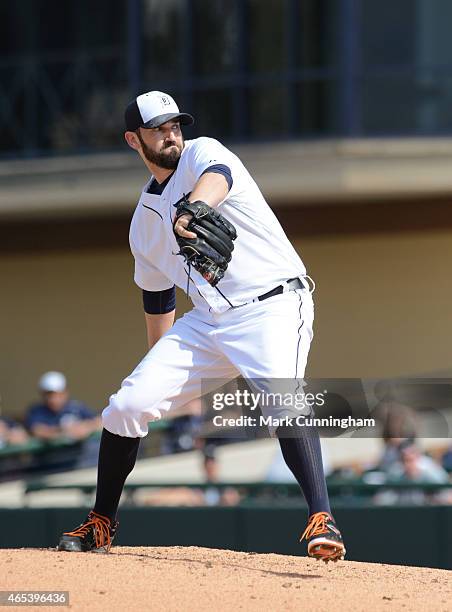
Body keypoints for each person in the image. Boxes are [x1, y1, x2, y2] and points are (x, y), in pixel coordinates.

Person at [57, 90, 345, 561]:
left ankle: (322, 517)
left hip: (272, 303)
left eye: (174, 124)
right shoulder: (143, 224)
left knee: (281, 395)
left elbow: (219, 178)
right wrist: (161, 370)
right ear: (134, 140)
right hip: (207, 321)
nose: (170, 134)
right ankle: (101, 522)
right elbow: (157, 296)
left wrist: (194, 209)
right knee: (126, 406)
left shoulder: (201, 154)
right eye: (157, 129)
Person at [26, 371, 101, 442]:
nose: (53, 399)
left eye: (58, 394)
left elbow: (98, 421)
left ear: (65, 392)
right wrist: (65, 431)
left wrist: (86, 427)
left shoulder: (76, 407)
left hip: (79, 454)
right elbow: (38, 430)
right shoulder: (37, 411)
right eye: (49, 395)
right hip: (53, 455)